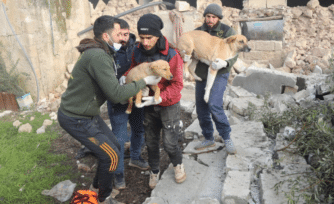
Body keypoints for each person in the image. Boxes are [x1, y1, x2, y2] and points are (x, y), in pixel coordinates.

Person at [57, 16, 161, 204]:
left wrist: (120, 81)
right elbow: (116, 96)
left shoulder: (102, 52)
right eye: (117, 34)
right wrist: (143, 81)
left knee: (115, 146)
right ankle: (104, 199)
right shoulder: (98, 56)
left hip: (87, 114)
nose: (122, 38)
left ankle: (95, 190)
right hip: (76, 118)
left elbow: (108, 84)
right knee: (111, 156)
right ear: (106, 36)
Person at [123, 13, 186, 189]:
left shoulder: (171, 54)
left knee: (170, 142)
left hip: (168, 104)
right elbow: (133, 69)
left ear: (157, 35)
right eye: (142, 37)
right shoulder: (137, 51)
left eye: (149, 38)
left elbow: (178, 84)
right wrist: (125, 77)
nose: (145, 42)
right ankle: (155, 170)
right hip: (147, 105)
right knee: (150, 141)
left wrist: (158, 98)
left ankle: (177, 164)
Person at [106, 18, 149, 190]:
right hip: (117, 99)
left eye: (125, 34)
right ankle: (118, 173)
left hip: (135, 94)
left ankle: (136, 157)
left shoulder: (138, 48)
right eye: (119, 34)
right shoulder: (107, 50)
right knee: (119, 136)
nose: (122, 38)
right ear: (112, 34)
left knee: (138, 128)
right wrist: (118, 80)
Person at [193, 3, 237, 154]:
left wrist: (227, 62)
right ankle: (208, 138)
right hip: (202, 73)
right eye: (208, 16)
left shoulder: (227, 31)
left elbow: (235, 52)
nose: (210, 19)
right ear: (204, 17)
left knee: (214, 104)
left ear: (218, 18)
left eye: (213, 17)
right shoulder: (198, 31)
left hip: (219, 73)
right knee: (201, 107)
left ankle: (226, 137)